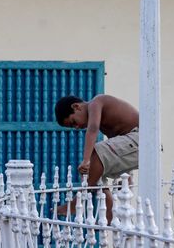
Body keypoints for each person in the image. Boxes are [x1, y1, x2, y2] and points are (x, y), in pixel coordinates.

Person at [54, 94, 139, 223]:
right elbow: (118, 149)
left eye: (73, 122)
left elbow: (92, 129)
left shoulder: (96, 102)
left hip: (142, 137)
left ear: (77, 107)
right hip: (133, 145)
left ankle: (78, 201)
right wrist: (125, 173)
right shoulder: (107, 122)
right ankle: (111, 211)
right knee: (93, 171)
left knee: (95, 153)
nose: (76, 127)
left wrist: (86, 159)